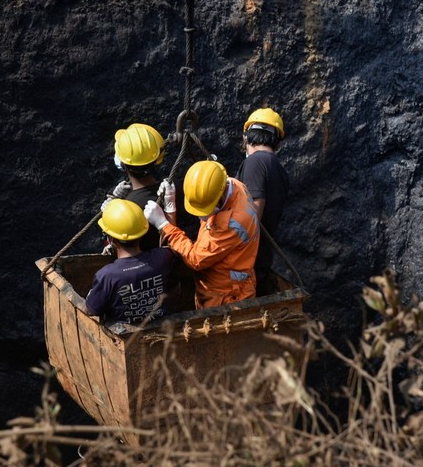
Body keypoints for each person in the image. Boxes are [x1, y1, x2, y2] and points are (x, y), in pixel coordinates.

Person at [144, 160, 260, 309]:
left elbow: (195, 259)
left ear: (219, 199)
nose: (200, 218)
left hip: (227, 296)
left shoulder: (230, 223)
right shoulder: (232, 184)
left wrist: (163, 225)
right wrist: (170, 202)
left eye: (204, 212)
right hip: (227, 282)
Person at [85, 199, 175, 324]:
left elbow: (91, 310)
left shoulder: (107, 276)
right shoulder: (162, 258)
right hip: (162, 326)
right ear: (142, 233)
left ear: (111, 239)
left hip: (126, 337)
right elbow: (172, 247)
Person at [235, 108, 289, 296]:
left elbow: (253, 214)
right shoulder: (279, 169)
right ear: (278, 142)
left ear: (246, 137)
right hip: (262, 256)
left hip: (247, 259)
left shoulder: (255, 162)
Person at [101, 123, 175, 250]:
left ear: (123, 164)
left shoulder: (127, 210)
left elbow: (118, 248)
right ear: (156, 159)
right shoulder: (173, 190)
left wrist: (110, 213)